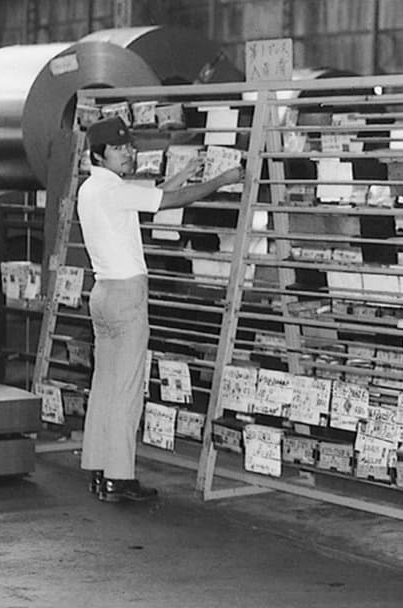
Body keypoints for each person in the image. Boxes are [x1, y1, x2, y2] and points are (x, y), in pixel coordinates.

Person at [78, 116, 244, 502]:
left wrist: (186, 171)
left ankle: (101, 470)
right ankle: (120, 478)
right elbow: (168, 201)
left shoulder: (93, 189)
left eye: (129, 147)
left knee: (104, 386)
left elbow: (152, 197)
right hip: (127, 296)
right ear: (99, 154)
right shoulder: (113, 190)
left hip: (102, 294)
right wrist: (221, 181)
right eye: (119, 149)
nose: (128, 153)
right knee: (127, 389)